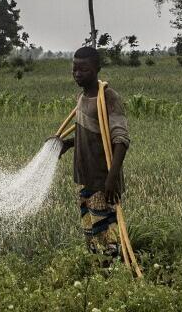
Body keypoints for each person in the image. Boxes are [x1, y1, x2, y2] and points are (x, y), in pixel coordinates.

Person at [58, 46, 130, 259]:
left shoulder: (108, 97)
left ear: (97, 69)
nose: (78, 74)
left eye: (84, 69)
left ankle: (115, 274)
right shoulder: (82, 98)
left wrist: (112, 178)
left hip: (102, 181)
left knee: (107, 233)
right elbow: (86, 134)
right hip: (84, 178)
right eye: (75, 69)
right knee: (91, 233)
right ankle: (99, 272)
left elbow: (121, 140)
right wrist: (67, 144)